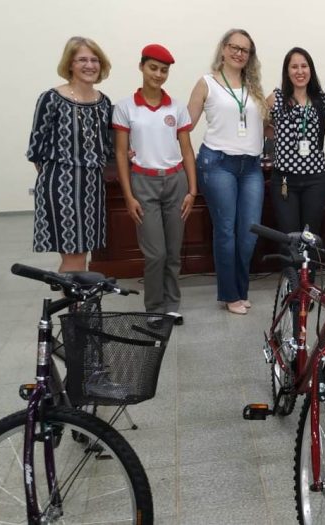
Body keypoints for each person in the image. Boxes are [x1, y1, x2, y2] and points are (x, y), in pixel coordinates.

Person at [113, 44, 197, 325]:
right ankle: (154, 306)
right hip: (143, 182)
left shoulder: (177, 108)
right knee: (155, 253)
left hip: (175, 182)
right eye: (153, 68)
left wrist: (192, 190)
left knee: (173, 252)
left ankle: (171, 305)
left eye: (164, 70)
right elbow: (120, 154)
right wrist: (128, 196)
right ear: (141, 67)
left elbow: (187, 150)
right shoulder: (125, 107)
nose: (158, 74)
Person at [188, 29, 266, 316]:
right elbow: (185, 124)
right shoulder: (206, 83)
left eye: (245, 50)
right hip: (218, 164)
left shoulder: (253, 87)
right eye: (234, 47)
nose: (238, 53)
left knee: (249, 234)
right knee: (225, 231)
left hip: (252, 167)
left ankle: (240, 290)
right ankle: (230, 294)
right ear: (223, 49)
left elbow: (263, 126)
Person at [27, 36, 112, 272]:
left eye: (94, 60)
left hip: (93, 186)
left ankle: (72, 294)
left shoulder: (103, 102)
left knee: (82, 254)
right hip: (62, 184)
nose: (90, 65)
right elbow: (36, 149)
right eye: (82, 60)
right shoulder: (52, 98)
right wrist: (59, 178)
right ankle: (75, 297)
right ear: (70, 65)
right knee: (74, 256)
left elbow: (105, 146)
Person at [266, 47, 325, 254]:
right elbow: (261, 127)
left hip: (316, 180)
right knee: (289, 239)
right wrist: (279, 137)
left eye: (304, 66)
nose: (300, 71)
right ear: (287, 72)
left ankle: (309, 274)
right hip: (285, 181)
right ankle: (291, 275)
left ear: (311, 70)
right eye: (294, 67)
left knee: (310, 238)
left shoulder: (322, 100)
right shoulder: (276, 98)